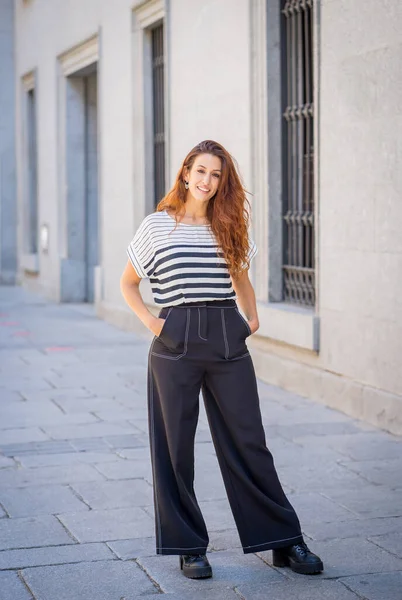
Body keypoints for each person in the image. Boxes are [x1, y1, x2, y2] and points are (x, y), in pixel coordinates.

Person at [120, 140, 324, 580]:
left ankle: (284, 541)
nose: (207, 181)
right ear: (185, 172)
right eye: (201, 171)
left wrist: (250, 319)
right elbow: (128, 284)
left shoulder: (228, 224)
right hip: (175, 339)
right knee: (175, 447)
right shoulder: (157, 226)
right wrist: (155, 326)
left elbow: (240, 277)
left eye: (216, 175)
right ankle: (188, 546)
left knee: (249, 440)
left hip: (226, 336)